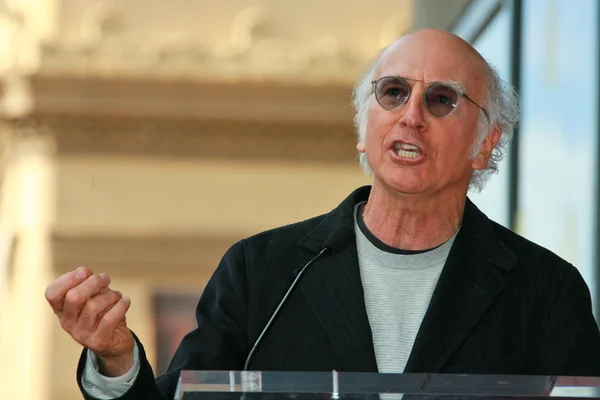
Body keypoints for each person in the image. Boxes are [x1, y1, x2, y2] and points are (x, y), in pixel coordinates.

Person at [45, 29, 600, 400]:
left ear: (486, 143)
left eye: (441, 100)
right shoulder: (263, 270)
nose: (411, 116)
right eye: (393, 92)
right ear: (364, 130)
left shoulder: (546, 291)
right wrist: (117, 361)